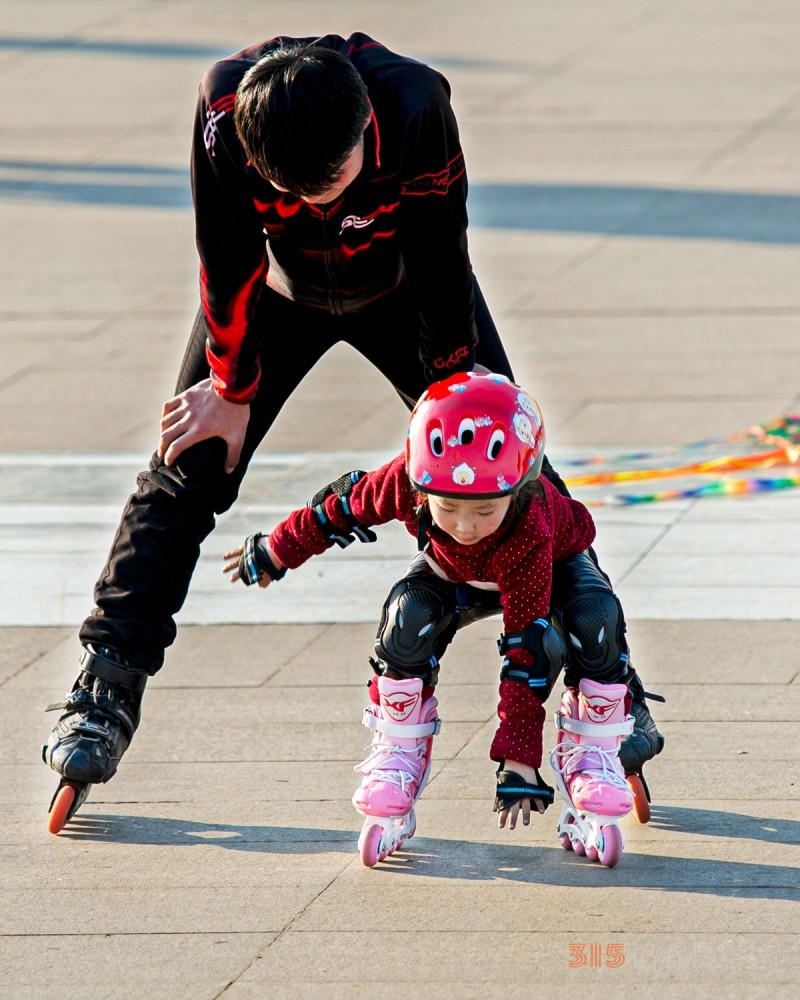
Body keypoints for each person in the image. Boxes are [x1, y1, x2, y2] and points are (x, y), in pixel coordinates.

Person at [42, 34, 661, 814]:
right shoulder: (222, 109)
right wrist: (230, 388)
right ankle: (106, 682)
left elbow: (442, 252)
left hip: (408, 290)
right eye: (293, 192)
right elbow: (225, 252)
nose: (321, 206)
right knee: (184, 465)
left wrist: (454, 390)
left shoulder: (413, 104)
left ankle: (609, 676)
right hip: (279, 292)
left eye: (333, 183)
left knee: (501, 469)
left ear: (364, 126)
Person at [222, 372, 640, 866]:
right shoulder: (405, 481)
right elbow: (338, 509)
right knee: (407, 615)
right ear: (424, 488)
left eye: (485, 510)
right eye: (448, 508)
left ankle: (593, 753)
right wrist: (276, 550)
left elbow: (525, 648)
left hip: (553, 568)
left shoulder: (533, 523)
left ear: (522, 488)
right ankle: (398, 749)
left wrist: (518, 755)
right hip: (454, 576)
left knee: (594, 619)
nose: (464, 526)